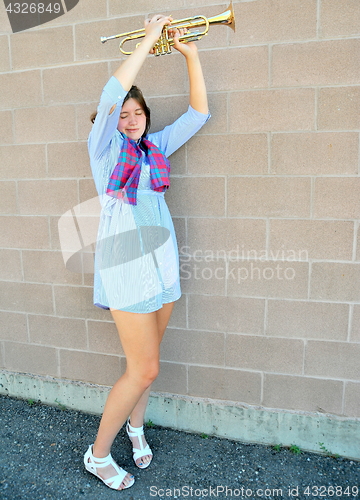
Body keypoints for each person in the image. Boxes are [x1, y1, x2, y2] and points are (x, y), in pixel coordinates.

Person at [84, 13, 210, 491]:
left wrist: (189, 53)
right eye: (123, 113)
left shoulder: (154, 149)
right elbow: (111, 94)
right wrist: (151, 39)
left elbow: (199, 115)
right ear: (111, 121)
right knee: (146, 367)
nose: (131, 118)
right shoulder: (105, 151)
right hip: (126, 269)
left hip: (162, 265)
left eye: (138, 112)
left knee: (148, 362)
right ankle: (98, 455)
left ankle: (136, 427)